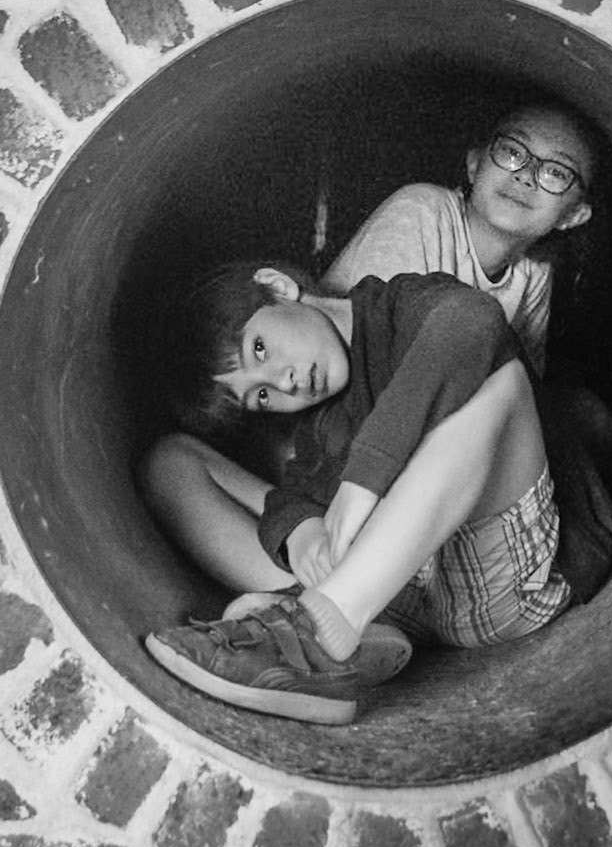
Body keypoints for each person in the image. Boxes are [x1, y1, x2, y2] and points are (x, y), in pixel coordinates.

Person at [142, 264, 571, 726]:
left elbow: (472, 320)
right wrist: (301, 533)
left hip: (492, 583)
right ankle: (324, 628)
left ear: (276, 287)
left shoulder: (401, 306)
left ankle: (324, 630)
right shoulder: (318, 426)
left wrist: (364, 480)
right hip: (393, 603)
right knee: (171, 462)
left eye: (259, 348)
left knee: (501, 381)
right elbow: (292, 495)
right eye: (261, 397)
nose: (283, 383)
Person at [320, 102, 599, 376]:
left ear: (573, 215)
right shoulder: (422, 209)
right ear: (475, 165)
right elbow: (383, 362)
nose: (525, 176)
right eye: (513, 152)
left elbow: (524, 382)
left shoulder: (535, 269)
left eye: (556, 172)